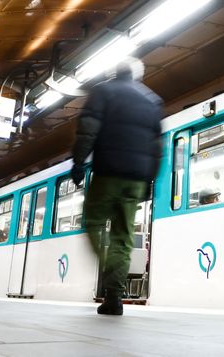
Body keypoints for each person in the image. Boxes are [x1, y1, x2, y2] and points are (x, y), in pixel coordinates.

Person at [71, 57, 163, 316]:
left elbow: (87, 130)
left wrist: (78, 162)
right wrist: (149, 181)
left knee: (92, 223)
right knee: (122, 237)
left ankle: (108, 266)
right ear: (137, 76)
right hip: (135, 179)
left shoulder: (103, 91)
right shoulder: (152, 101)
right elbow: (157, 148)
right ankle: (114, 297)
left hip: (108, 172)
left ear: (114, 72)